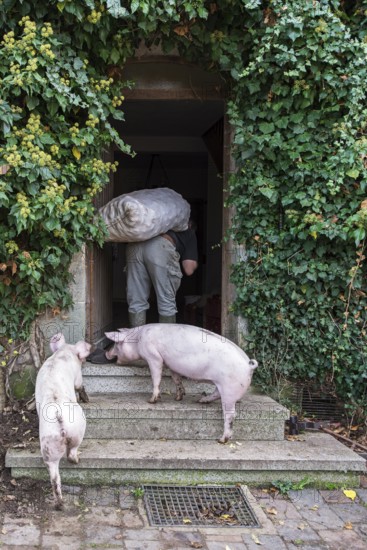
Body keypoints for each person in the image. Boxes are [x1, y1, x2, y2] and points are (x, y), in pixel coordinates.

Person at [125, 220, 198, 327]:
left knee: (136, 302)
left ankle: (137, 340)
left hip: (135, 244)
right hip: (160, 247)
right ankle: (165, 341)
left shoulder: (155, 222)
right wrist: (196, 263)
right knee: (166, 302)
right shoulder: (189, 231)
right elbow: (189, 269)